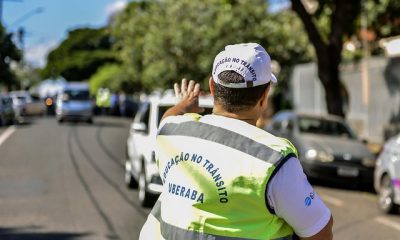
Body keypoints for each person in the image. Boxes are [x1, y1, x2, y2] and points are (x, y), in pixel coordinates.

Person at [139, 43, 333, 240]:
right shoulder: (274, 161)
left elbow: (168, 117)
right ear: (264, 96)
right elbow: (320, 231)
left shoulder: (171, 133)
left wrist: (185, 103)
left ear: (212, 87)